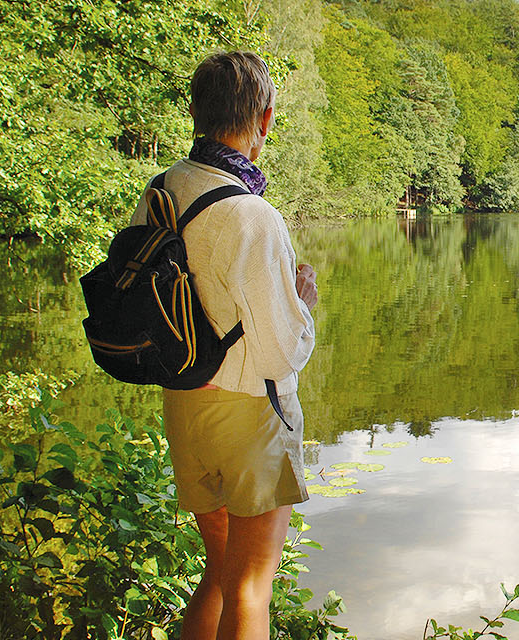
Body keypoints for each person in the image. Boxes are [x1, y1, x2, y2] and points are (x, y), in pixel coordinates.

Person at [130, 51, 319, 640]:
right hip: (250, 416)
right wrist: (303, 302)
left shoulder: (162, 190)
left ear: (197, 111)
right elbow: (280, 352)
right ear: (263, 119)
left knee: (219, 573)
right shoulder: (251, 213)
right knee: (250, 589)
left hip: (185, 403)